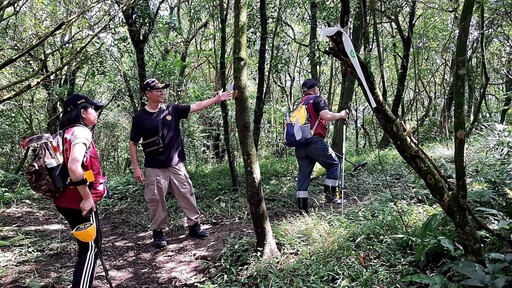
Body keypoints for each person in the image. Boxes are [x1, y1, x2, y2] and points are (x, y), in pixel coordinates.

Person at [129, 78, 232, 248]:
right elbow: (133, 143)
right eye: (158, 90)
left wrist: (217, 99)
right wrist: (136, 167)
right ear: (148, 94)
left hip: (176, 164)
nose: (162, 92)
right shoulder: (140, 117)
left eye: (163, 89)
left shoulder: (172, 109)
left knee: (186, 193)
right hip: (154, 167)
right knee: (155, 199)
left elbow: (196, 106)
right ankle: (158, 233)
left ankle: (194, 226)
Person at [55, 94, 108, 288]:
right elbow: (74, 167)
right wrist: (87, 198)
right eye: (94, 109)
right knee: (90, 249)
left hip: (65, 200)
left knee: (87, 247)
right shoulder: (81, 132)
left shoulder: (63, 133)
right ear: (84, 112)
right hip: (79, 202)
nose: (96, 113)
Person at [295, 79, 350, 213]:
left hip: (300, 145)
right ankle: (331, 196)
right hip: (314, 141)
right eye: (317, 88)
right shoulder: (317, 99)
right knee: (334, 164)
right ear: (314, 89)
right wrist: (342, 115)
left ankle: (302, 208)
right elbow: (327, 115)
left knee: (303, 176)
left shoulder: (299, 104)